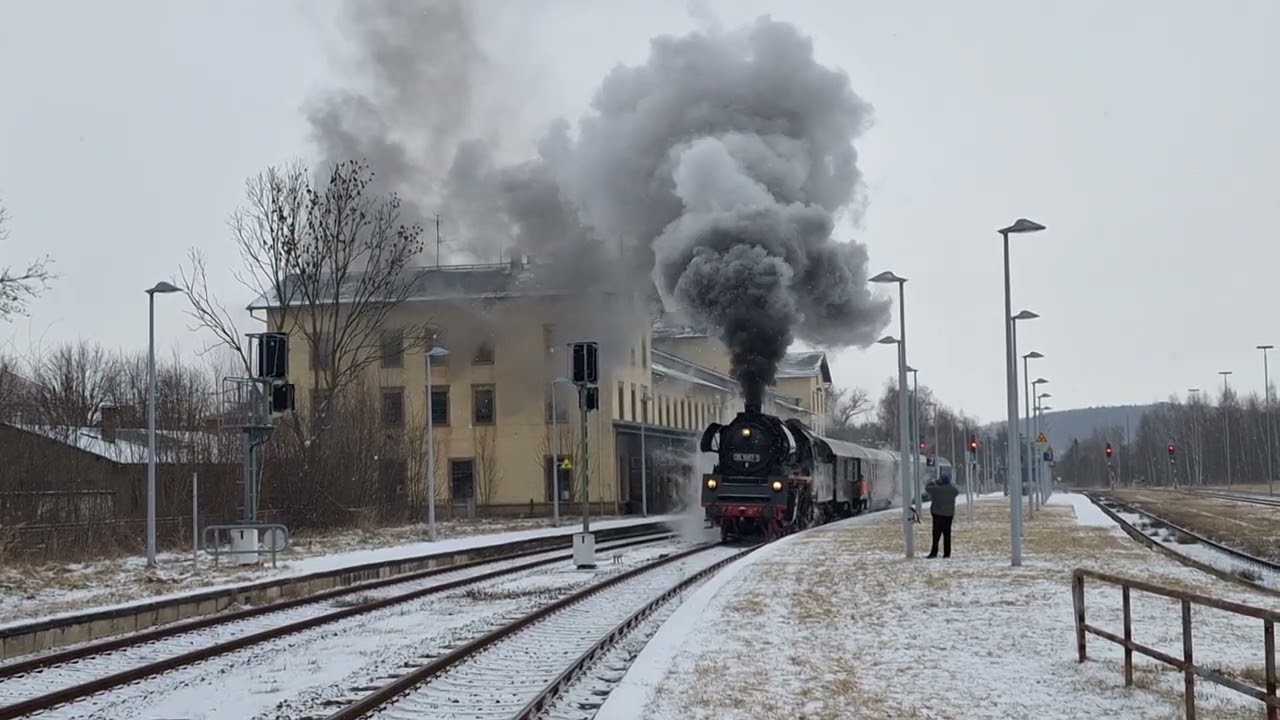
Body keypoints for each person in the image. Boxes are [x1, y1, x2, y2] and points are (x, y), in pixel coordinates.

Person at [925, 474, 960, 558]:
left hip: (938, 514)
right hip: (949, 515)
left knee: (936, 535)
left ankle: (934, 553)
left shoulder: (936, 489)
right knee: (947, 534)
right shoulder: (952, 490)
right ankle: (947, 553)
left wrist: (933, 482)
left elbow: (927, 488)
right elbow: (956, 490)